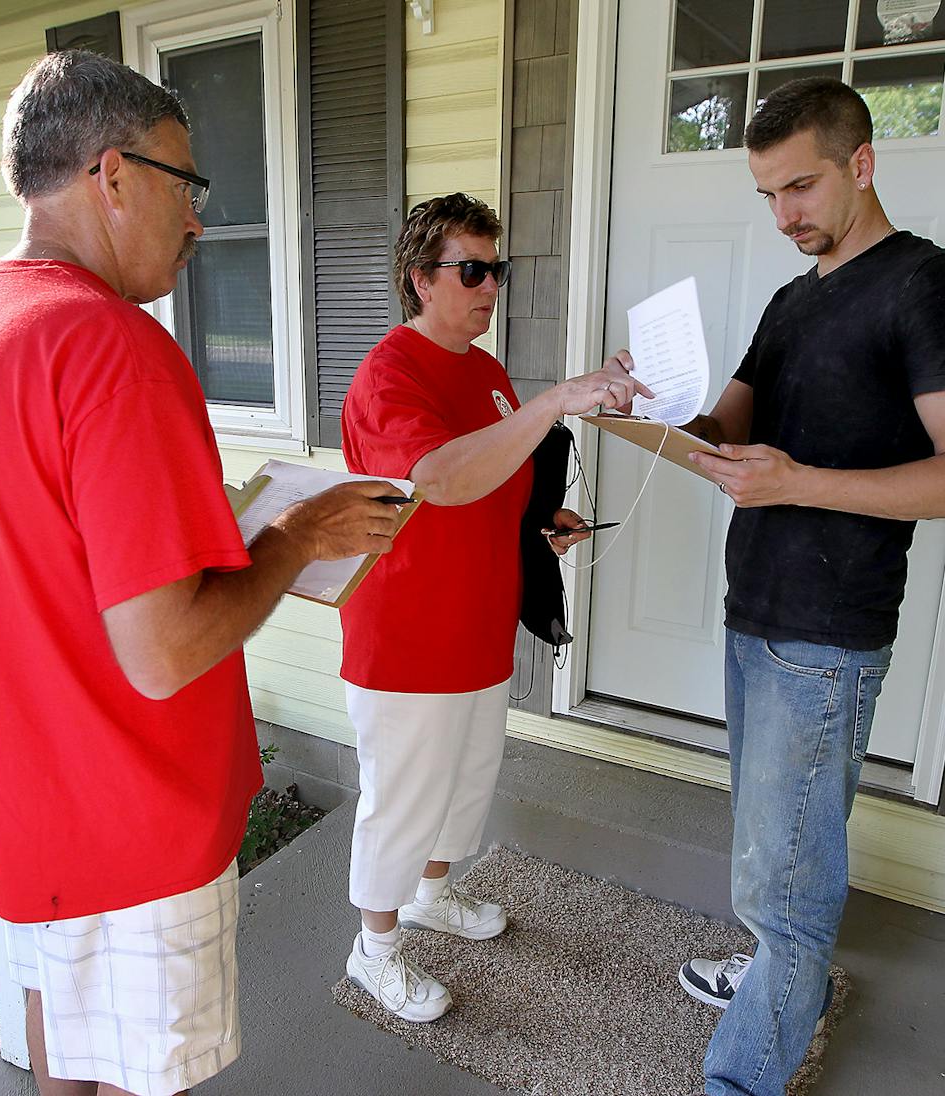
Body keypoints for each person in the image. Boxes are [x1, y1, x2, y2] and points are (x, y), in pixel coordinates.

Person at [0, 51, 399, 1096]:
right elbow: (165, 650)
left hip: (26, 808)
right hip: (131, 810)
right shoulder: (108, 343)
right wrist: (292, 539)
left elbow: (42, 559)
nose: (198, 217)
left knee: (62, 1071)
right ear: (111, 173)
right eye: (186, 182)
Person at [672, 78, 945, 1095]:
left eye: (801, 187)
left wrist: (796, 481)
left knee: (788, 881)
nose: (783, 216)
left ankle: (742, 1078)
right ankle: (782, 979)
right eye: (767, 194)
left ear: (862, 163)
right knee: (768, 859)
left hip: (825, 632)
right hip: (756, 612)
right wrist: (641, 405)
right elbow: (721, 429)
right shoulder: (790, 298)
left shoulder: (927, 285)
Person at [337, 192, 649, 1021]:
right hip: (406, 637)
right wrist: (555, 401)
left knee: (463, 785)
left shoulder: (486, 372)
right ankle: (375, 951)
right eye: (471, 269)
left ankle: (430, 897)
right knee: (402, 798)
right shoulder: (388, 374)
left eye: (495, 269)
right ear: (420, 279)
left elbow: (496, 485)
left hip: (477, 627)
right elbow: (437, 478)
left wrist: (544, 523)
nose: (489, 286)